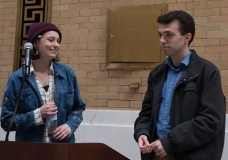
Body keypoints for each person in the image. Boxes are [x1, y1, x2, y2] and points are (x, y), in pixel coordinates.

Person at [134, 10, 226, 160]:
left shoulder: (207, 72)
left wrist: (170, 141)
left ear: (187, 37)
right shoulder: (157, 74)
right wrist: (142, 132)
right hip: (156, 154)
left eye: (169, 34)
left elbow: (211, 120)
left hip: (191, 154)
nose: (162, 40)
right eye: (160, 35)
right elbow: (146, 113)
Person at [1, 22, 86, 143]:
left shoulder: (67, 73)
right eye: (51, 40)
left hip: (61, 149)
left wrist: (69, 127)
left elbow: (78, 108)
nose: (56, 45)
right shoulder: (17, 78)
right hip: (30, 152)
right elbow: (6, 121)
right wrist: (38, 114)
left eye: (58, 41)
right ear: (35, 43)